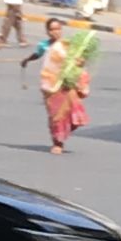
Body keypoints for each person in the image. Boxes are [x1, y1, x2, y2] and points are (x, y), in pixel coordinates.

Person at [22, 20, 90, 154]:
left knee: (73, 112)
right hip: (51, 85)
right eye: (52, 29)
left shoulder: (67, 44)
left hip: (67, 83)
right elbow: (38, 54)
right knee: (55, 115)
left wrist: (80, 63)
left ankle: (65, 130)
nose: (56, 32)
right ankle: (58, 143)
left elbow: (79, 59)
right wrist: (26, 60)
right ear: (47, 31)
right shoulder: (44, 45)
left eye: (58, 29)